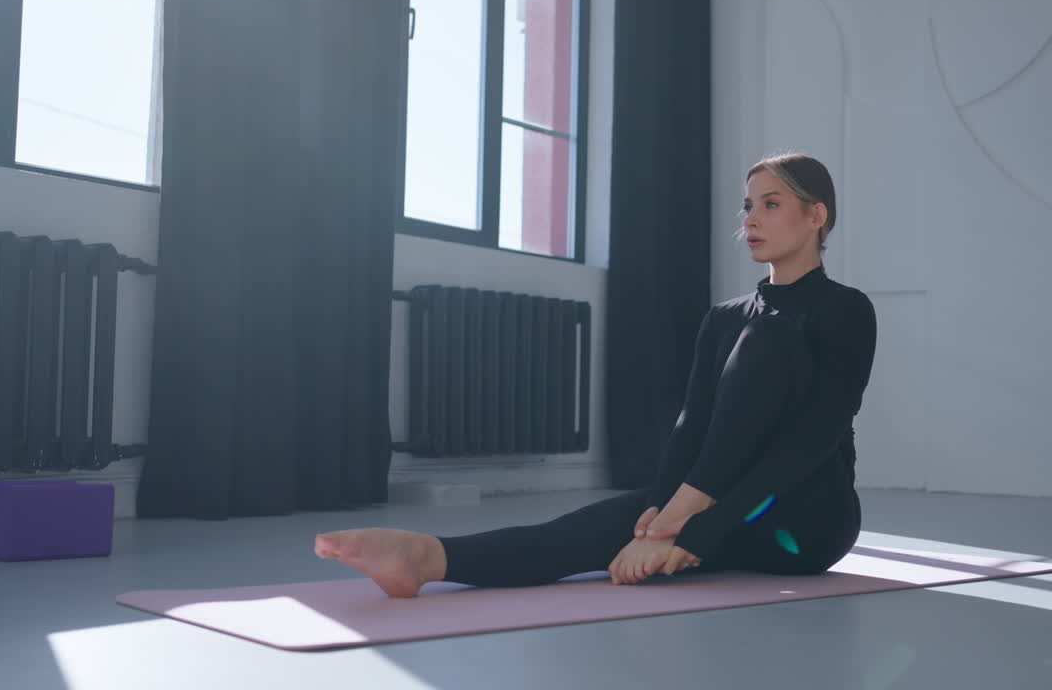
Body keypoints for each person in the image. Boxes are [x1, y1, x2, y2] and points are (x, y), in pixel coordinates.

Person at [314, 153, 877, 598]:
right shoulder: (724, 318)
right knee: (577, 533)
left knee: (767, 334)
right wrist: (658, 512)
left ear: (816, 216)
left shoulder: (845, 310)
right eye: (747, 206)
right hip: (708, 510)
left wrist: (693, 530)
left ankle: (683, 515)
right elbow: (692, 426)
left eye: (771, 204)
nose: (750, 219)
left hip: (803, 519)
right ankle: (427, 558)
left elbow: (809, 444)